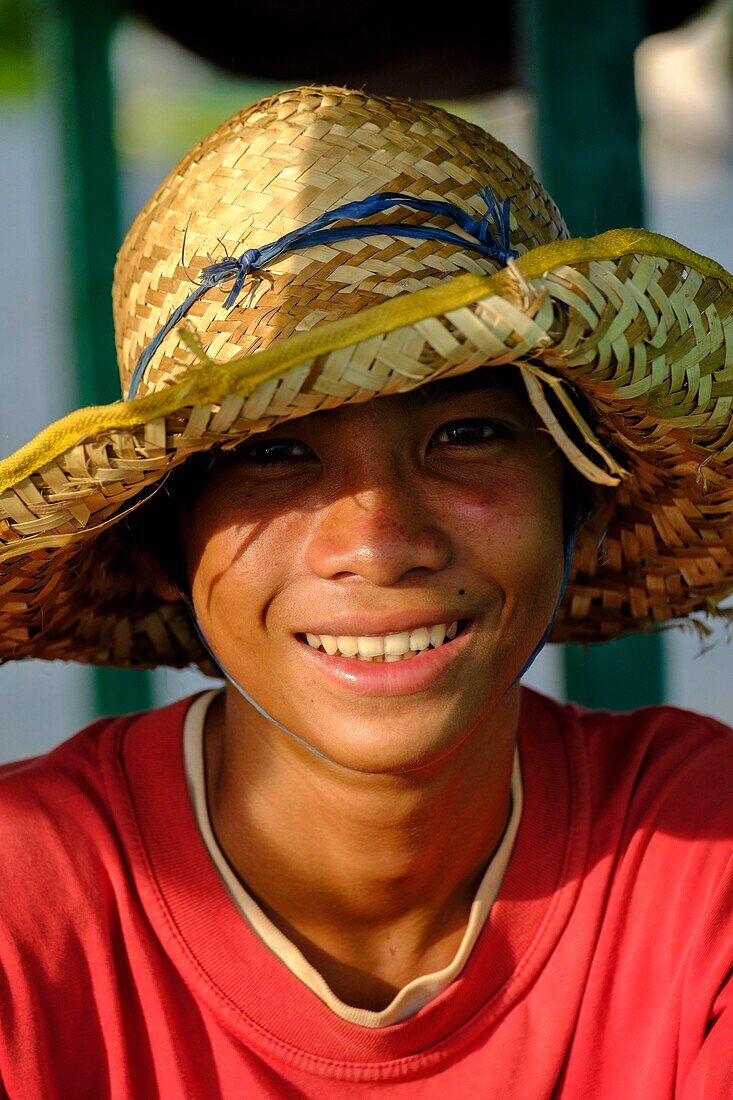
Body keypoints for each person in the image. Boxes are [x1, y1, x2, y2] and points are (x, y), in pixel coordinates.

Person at [0, 84, 731, 1098]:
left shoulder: (701, 855)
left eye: (465, 434)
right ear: (160, 544)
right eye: (276, 454)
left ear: (585, 493)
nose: (380, 542)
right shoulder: (24, 903)